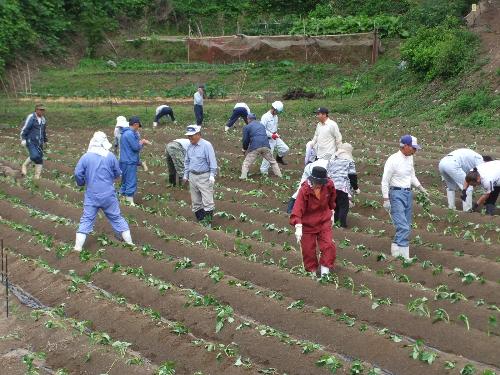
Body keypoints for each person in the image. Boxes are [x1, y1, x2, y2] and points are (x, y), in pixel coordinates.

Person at [74, 131, 133, 251]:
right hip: (108, 194)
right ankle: (130, 243)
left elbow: (77, 173)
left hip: (92, 195)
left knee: (87, 219)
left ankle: (77, 247)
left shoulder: (86, 157)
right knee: (116, 217)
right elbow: (117, 173)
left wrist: (81, 182)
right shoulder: (110, 156)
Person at [381, 135, 427, 260]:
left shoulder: (410, 158)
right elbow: (385, 181)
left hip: (407, 193)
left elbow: (411, 175)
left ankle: (396, 253)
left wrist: (420, 187)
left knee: (406, 224)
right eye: (413, 148)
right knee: (403, 226)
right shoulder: (393, 160)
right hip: (396, 194)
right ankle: (404, 257)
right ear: (405, 146)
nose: (415, 151)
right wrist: (386, 199)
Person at [290, 166, 337, 277]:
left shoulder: (329, 185)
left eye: (321, 183)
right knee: (308, 250)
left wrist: (332, 210)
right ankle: (312, 272)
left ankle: (325, 272)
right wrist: (298, 226)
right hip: (308, 224)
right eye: (317, 183)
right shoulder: (304, 190)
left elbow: (332, 199)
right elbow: (297, 208)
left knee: (329, 245)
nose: (319, 185)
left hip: (324, 221)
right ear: (312, 180)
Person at [183, 125, 218, 226]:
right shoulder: (189, 146)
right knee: (196, 202)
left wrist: (212, 175)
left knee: (208, 201)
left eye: (191, 136)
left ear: (198, 135)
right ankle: (201, 222)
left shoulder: (206, 145)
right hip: (192, 176)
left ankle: (208, 225)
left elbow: (212, 161)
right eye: (188, 136)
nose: (189, 138)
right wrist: (186, 175)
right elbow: (187, 162)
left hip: (204, 176)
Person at [119, 116, 150, 206]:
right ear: (135, 124)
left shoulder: (125, 133)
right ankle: (129, 201)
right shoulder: (129, 134)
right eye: (138, 126)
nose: (138, 128)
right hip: (129, 161)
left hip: (124, 160)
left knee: (125, 180)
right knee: (131, 180)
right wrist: (143, 142)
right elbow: (136, 147)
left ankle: (122, 198)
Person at [327, 143, 360, 228]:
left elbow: (328, 172)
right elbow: (352, 176)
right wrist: (356, 188)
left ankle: (335, 223)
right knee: (343, 206)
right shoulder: (349, 161)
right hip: (341, 186)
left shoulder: (332, 159)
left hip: (331, 186)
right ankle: (342, 225)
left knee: (335, 205)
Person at [240, 113, 282, 179]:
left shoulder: (247, 127)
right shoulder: (261, 125)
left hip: (255, 147)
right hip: (266, 145)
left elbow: (245, 140)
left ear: (248, 119)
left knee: (246, 163)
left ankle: (243, 177)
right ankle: (279, 175)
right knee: (273, 162)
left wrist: (244, 149)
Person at [260, 101, 289, 174]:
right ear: (274, 109)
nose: (278, 113)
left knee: (285, 149)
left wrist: (276, 134)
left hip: (275, 137)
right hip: (267, 139)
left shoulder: (276, 116)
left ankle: (279, 159)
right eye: (277, 111)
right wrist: (271, 135)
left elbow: (274, 128)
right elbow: (262, 129)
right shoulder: (265, 117)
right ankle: (263, 172)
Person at [20, 104, 48, 179]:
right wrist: (23, 139)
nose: (42, 112)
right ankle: (24, 165)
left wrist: (45, 141)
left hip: (40, 142)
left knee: (40, 158)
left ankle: (37, 177)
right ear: (36, 110)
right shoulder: (31, 117)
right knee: (34, 156)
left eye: (43, 110)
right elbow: (25, 128)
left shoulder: (43, 119)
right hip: (31, 141)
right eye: (41, 110)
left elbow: (44, 131)